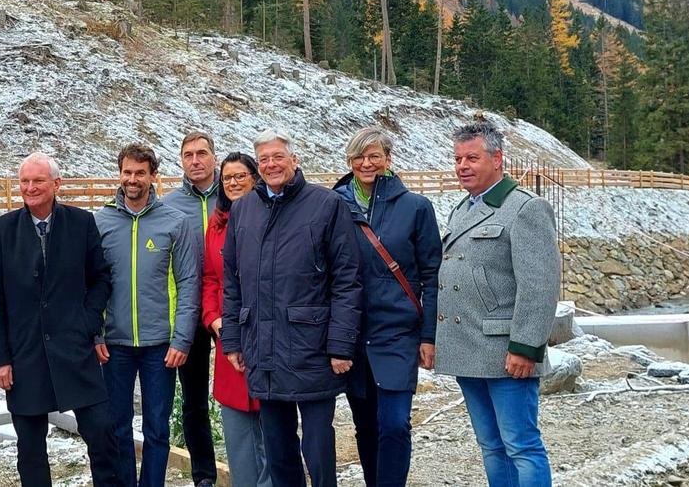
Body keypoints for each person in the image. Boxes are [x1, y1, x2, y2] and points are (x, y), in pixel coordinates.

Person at [221, 129, 362, 487]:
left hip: (310, 348)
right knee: (279, 448)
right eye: (264, 159)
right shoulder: (244, 209)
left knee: (317, 448)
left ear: (294, 160)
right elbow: (232, 281)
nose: (271, 165)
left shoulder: (325, 205)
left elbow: (346, 280)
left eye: (278, 157)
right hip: (262, 349)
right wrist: (233, 342)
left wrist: (341, 345)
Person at [0, 152, 121, 486]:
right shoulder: (2, 231)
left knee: (101, 433)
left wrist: (88, 323)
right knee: (30, 450)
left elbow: (100, 278)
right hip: (25, 355)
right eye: (25, 181)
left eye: (38, 180)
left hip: (75, 351)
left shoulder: (80, 223)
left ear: (56, 184)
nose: (30, 188)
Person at [436, 121, 561, 487]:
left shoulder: (525, 208)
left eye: (472, 158)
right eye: (458, 159)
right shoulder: (461, 209)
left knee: (521, 445)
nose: (462, 166)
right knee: (490, 446)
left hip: (508, 354)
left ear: (498, 159)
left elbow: (540, 285)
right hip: (468, 349)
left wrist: (526, 347)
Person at [332, 127, 442, 487]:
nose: (366, 163)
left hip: (396, 331)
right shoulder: (335, 205)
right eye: (359, 157)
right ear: (349, 162)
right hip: (352, 332)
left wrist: (429, 336)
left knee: (394, 423)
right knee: (364, 424)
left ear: (388, 160)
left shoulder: (415, 207)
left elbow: (432, 275)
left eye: (374, 156)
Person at [95, 143, 201, 487]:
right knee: (119, 426)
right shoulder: (102, 221)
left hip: (162, 346)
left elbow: (188, 283)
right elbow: (90, 284)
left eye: (140, 173)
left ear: (152, 176)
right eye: (127, 172)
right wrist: (96, 333)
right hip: (116, 344)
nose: (133, 179)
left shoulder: (175, 222)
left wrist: (182, 338)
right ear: (119, 173)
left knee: (157, 426)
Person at [200, 151, 271, 487]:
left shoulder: (272, 216)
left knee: (273, 424)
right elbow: (210, 279)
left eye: (240, 176)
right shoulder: (216, 226)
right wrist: (214, 318)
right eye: (227, 178)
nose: (232, 183)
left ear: (254, 178)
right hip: (230, 337)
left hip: (269, 333)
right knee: (238, 429)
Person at [160, 131, 221, 487]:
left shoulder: (233, 196)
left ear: (213, 156)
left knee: (240, 393)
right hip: (189, 313)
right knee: (194, 399)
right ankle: (204, 475)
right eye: (188, 155)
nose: (195, 160)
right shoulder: (169, 206)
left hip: (229, 312)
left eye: (202, 153)